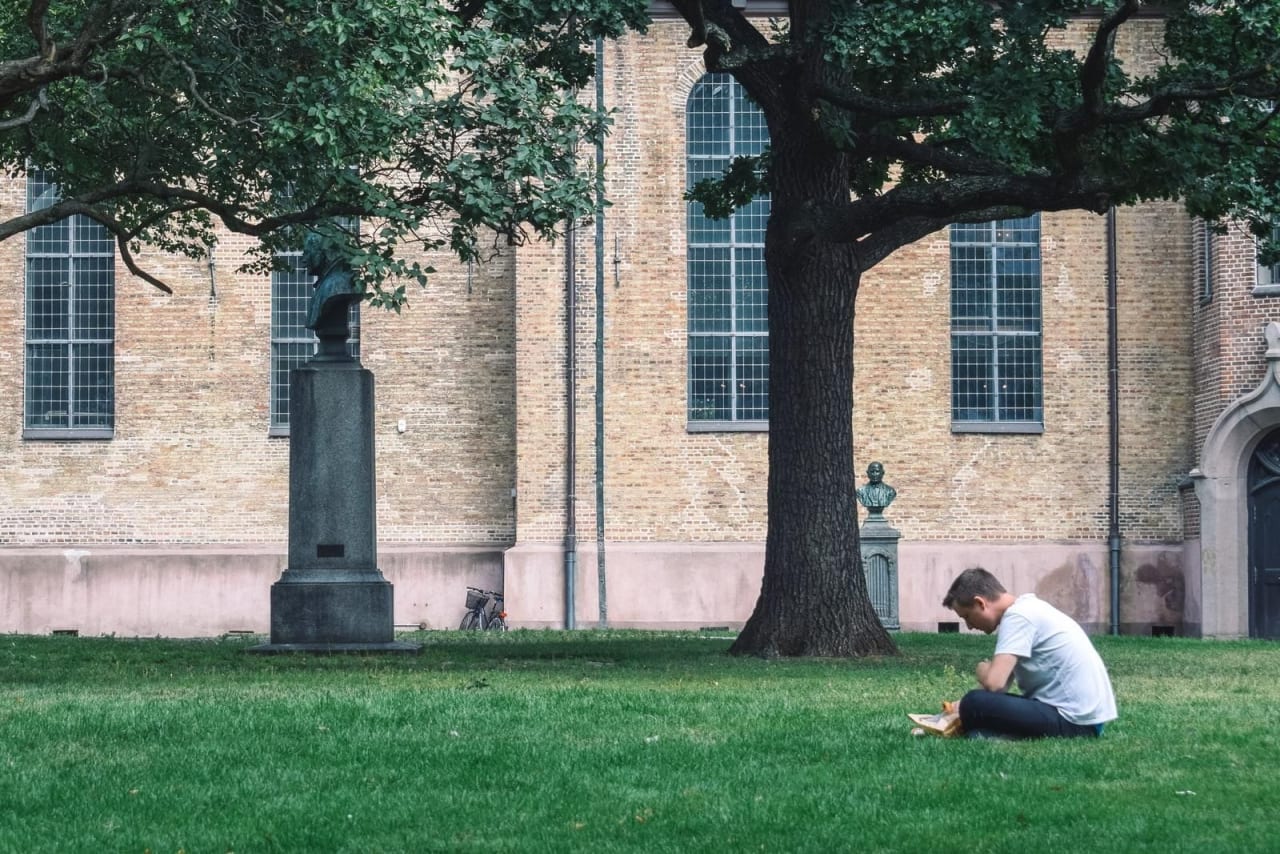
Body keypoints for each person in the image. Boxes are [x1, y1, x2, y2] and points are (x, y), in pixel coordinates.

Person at [941, 567, 1117, 739]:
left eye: (967, 616)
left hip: (1074, 721)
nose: (969, 626)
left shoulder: (1018, 617)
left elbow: (994, 683)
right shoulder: (1027, 609)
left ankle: (986, 732)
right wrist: (959, 706)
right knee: (972, 706)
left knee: (974, 703)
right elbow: (1000, 688)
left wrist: (981, 669)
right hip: (1084, 720)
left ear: (980, 603)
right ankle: (987, 734)